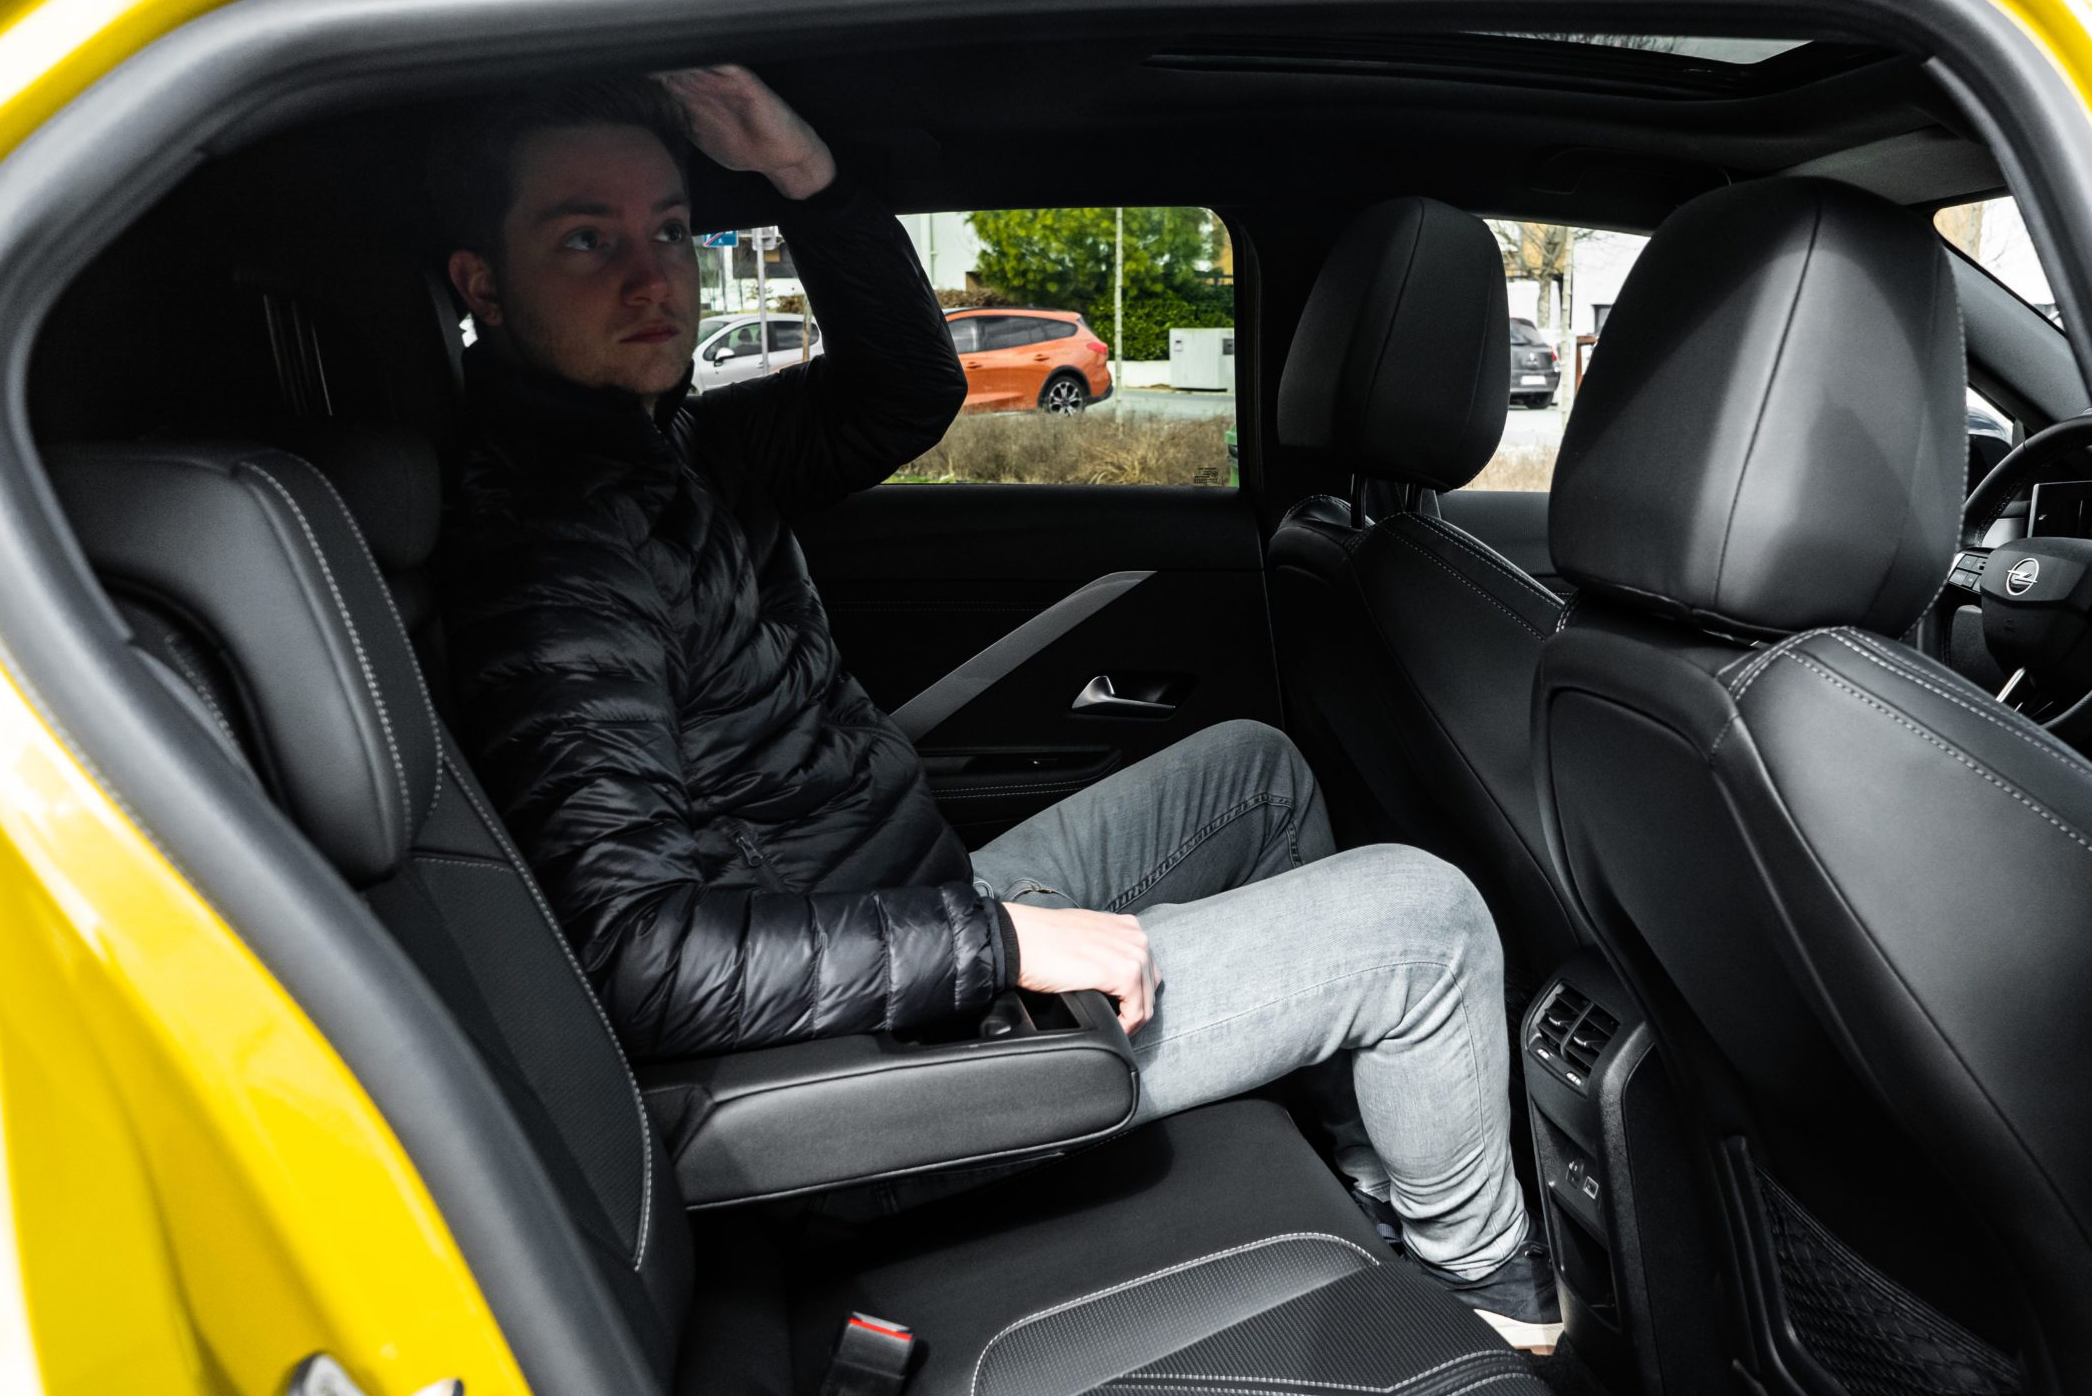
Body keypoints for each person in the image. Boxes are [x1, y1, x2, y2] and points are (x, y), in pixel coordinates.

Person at [429, 66, 1555, 1338]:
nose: (654, 279)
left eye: (673, 231)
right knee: (1423, 921)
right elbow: (636, 954)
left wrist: (806, 177)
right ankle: (1484, 1289)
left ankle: (1365, 1165)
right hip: (858, 1070)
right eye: (587, 241)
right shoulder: (548, 557)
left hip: (904, 927)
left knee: (1254, 771)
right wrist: (1003, 948)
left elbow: (906, 394)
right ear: (483, 286)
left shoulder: (666, 446)